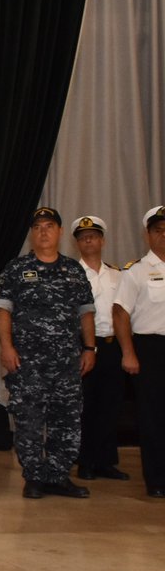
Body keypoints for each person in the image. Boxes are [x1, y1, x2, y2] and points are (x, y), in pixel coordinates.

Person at [0, 207, 96, 500]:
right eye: (37, 227)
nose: (43, 232)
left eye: (49, 226)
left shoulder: (74, 270)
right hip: (28, 362)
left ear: (60, 232)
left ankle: (59, 475)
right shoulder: (16, 269)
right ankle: (35, 478)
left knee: (67, 420)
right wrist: (7, 347)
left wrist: (89, 347)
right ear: (31, 233)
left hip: (67, 362)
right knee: (29, 421)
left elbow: (86, 312)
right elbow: (2, 310)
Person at [70, 215, 129, 481]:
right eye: (83, 238)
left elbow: (126, 312)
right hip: (83, 348)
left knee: (111, 405)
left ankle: (106, 461)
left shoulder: (118, 274)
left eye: (93, 236)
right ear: (77, 244)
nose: (88, 240)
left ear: (102, 240)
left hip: (112, 345)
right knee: (85, 406)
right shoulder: (70, 274)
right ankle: (85, 461)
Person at [112, 205, 165, 497]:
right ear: (148, 235)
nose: (164, 236)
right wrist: (128, 352)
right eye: (158, 231)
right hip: (150, 348)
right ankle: (156, 480)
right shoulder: (137, 271)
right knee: (153, 415)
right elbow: (120, 313)